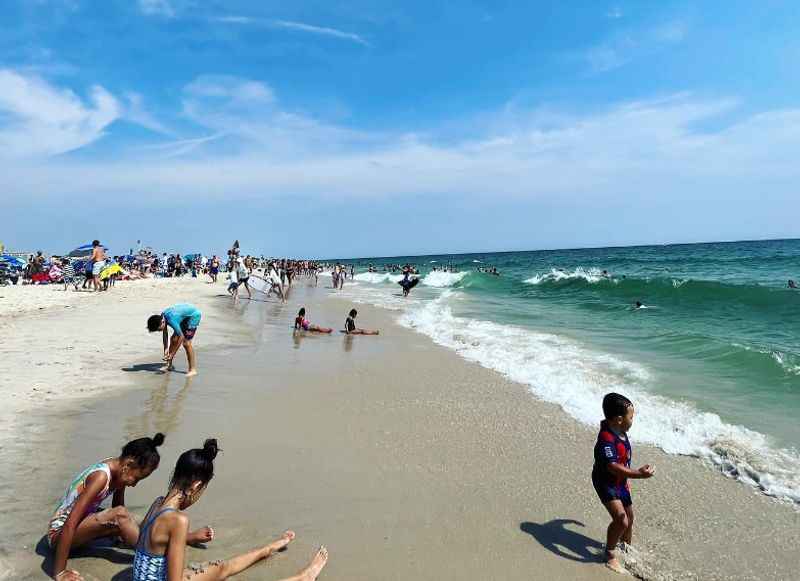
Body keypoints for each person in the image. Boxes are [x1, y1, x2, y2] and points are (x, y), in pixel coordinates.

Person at [132, 439, 328, 581]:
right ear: (196, 485)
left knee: (221, 568)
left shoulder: (157, 504)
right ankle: (303, 578)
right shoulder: (178, 521)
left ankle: (269, 549)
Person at [48, 434, 215, 581]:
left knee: (130, 517)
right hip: (59, 535)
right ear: (128, 465)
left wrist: (120, 528)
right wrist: (60, 572)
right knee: (121, 516)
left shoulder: (119, 469)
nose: (134, 484)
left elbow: (118, 506)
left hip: (80, 524)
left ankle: (173, 539)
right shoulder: (101, 477)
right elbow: (71, 522)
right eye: (137, 479)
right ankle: (177, 541)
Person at [592, 393, 654, 574]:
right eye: (631, 417)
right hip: (606, 482)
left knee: (630, 518)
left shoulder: (620, 431)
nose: (632, 420)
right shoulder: (606, 439)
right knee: (621, 519)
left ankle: (626, 547)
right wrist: (638, 474)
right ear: (619, 419)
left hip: (621, 482)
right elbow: (613, 467)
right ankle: (610, 553)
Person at [147, 304, 202, 377]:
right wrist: (166, 351)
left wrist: (172, 354)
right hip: (182, 317)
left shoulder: (171, 319)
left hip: (193, 316)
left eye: (159, 329)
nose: (159, 331)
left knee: (186, 343)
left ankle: (192, 369)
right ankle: (169, 365)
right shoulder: (162, 316)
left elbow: (181, 336)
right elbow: (165, 335)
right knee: (173, 339)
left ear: (162, 322)